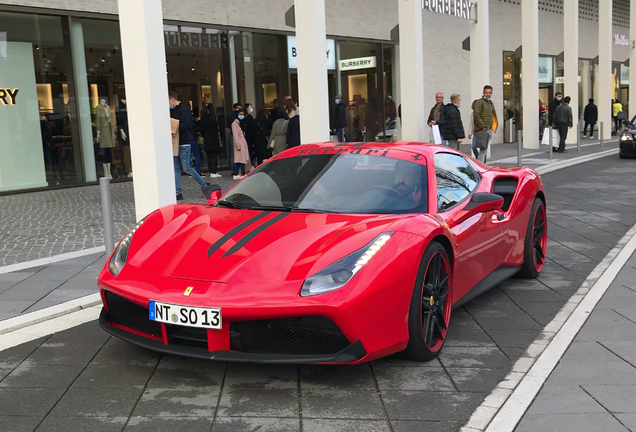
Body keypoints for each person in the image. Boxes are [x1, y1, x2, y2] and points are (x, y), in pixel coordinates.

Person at [169, 91, 208, 200]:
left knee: (186, 168)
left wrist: (172, 123)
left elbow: (186, 125)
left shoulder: (184, 108)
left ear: (172, 99)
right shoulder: (173, 110)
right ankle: (177, 192)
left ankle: (204, 185)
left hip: (184, 142)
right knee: (176, 167)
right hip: (176, 141)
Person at [471, 85, 498, 163]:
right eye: (486, 93)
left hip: (489, 128)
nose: (488, 94)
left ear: (491, 93)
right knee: (483, 149)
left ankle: (481, 165)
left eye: (489, 93)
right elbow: (476, 115)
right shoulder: (480, 102)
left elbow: (493, 114)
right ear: (483, 93)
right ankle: (480, 166)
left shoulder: (490, 103)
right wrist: (483, 126)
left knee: (484, 149)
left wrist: (493, 126)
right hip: (483, 129)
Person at [199, 103, 223, 178]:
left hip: (207, 139)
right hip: (215, 139)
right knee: (215, 156)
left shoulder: (204, 117)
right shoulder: (215, 118)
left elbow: (201, 129)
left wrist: (204, 136)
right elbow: (219, 129)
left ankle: (211, 171)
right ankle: (215, 171)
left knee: (209, 156)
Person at [231, 108, 250, 179]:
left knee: (240, 159)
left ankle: (239, 173)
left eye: (243, 114)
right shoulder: (234, 124)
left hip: (242, 142)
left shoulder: (240, 123)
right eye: (240, 114)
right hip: (239, 143)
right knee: (240, 159)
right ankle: (240, 173)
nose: (241, 116)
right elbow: (235, 135)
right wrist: (238, 145)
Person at [243, 103, 258, 168]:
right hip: (249, 137)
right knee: (252, 151)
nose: (251, 108)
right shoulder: (249, 117)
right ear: (247, 108)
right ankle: (250, 164)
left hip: (246, 136)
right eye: (250, 107)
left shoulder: (245, 116)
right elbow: (251, 128)